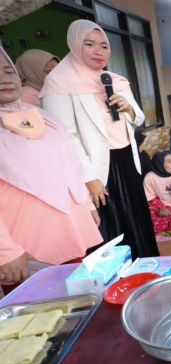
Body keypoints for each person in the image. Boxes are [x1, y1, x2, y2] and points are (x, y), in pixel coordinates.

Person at [40, 19, 159, 258]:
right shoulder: (58, 83)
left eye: (104, 46)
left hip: (127, 159)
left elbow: (139, 117)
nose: (99, 51)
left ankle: (146, 266)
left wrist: (129, 109)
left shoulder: (115, 80)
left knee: (137, 219)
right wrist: (89, 177)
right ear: (75, 45)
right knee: (111, 227)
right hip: (96, 168)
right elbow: (65, 137)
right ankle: (118, 284)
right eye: (89, 44)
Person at [0, 47, 102, 285]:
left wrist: (87, 205)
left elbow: (71, 165)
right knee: (44, 312)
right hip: (25, 247)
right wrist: (5, 250)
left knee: (80, 299)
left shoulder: (43, 116)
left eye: (7, 71)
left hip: (69, 229)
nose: (4, 79)